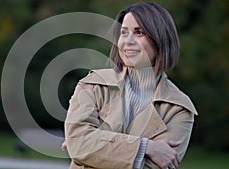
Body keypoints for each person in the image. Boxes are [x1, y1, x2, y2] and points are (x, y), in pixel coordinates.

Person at [63, 2, 198, 169]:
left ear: (160, 39)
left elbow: (154, 166)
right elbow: (78, 143)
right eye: (124, 32)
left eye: (139, 33)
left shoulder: (179, 108)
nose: (127, 41)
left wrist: (95, 148)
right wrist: (145, 147)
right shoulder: (93, 85)